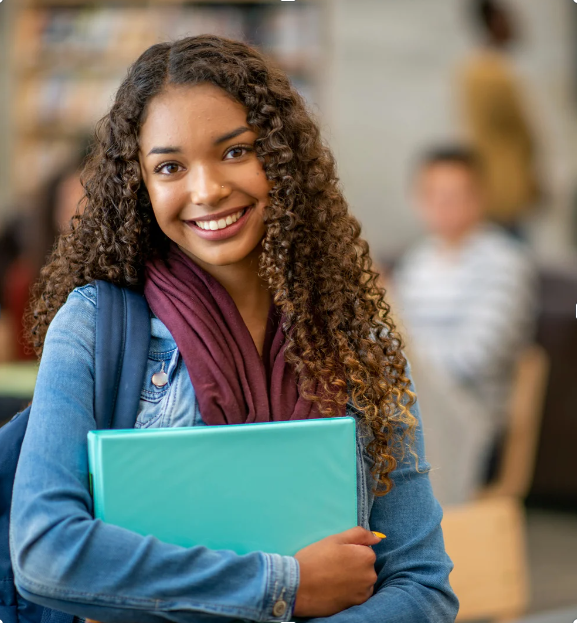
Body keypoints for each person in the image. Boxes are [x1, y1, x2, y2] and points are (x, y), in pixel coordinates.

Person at [10, 35, 459, 622]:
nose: (206, 190)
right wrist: (285, 586)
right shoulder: (96, 325)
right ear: (140, 186)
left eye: (234, 151)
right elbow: (47, 552)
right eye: (170, 166)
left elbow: (421, 584)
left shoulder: (353, 336)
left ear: (281, 156)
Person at [392, 146, 537, 504]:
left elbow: (477, 357)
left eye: (454, 196)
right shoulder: (417, 262)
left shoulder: (504, 262)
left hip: (469, 413)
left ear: (479, 198)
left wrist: (409, 366)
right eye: (433, 195)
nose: (443, 205)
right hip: (412, 399)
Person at [458, 0, 543, 235]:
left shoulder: (473, 69)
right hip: (505, 182)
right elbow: (520, 132)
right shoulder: (493, 74)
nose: (515, 27)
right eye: (507, 20)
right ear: (494, 23)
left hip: (492, 179)